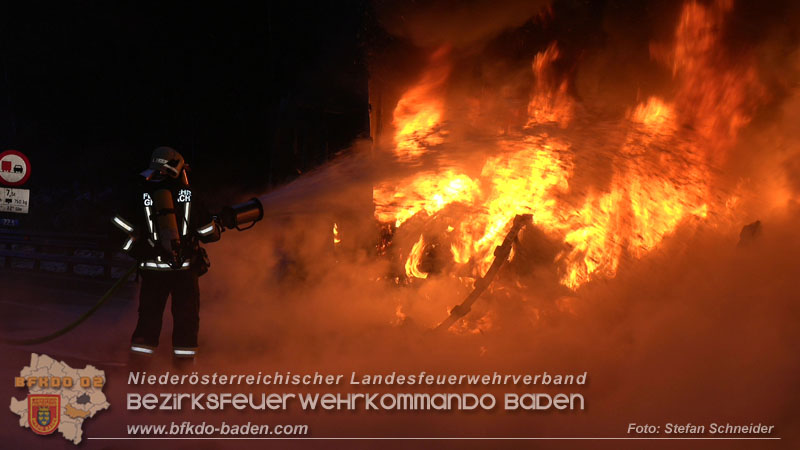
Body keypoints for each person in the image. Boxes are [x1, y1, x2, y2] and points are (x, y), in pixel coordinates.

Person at [111, 147, 221, 359]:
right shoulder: (190, 196)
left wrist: (138, 250)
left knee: (149, 320)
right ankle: (183, 374)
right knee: (186, 321)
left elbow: (117, 228)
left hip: (152, 273)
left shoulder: (141, 194)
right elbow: (208, 233)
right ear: (179, 167)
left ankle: (138, 372)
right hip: (185, 271)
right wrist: (216, 227)